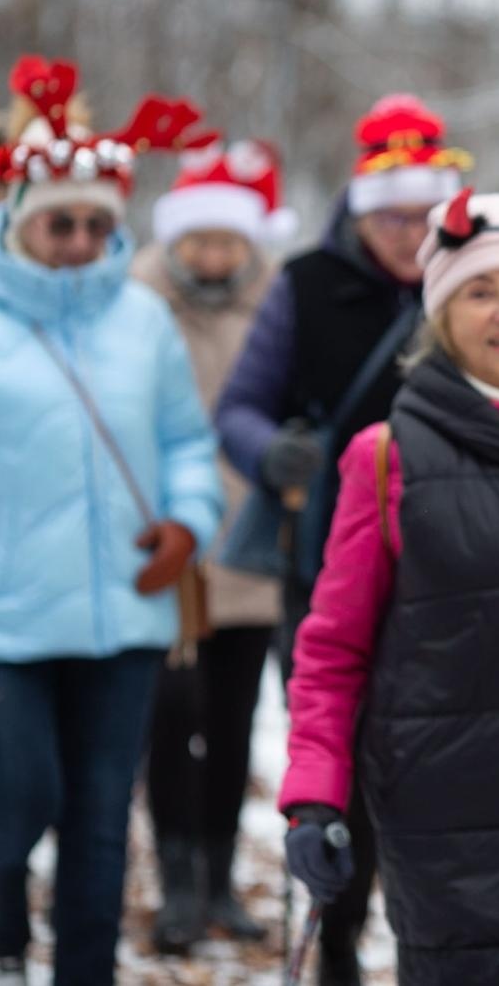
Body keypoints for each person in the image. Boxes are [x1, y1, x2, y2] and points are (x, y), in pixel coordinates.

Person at [277, 189, 499, 984]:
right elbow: (333, 650)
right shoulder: (384, 457)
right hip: (450, 838)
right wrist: (314, 799)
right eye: (480, 291)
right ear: (440, 315)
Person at [215, 93, 470, 983]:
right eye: (392, 216)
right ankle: (337, 941)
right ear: (363, 211)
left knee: (441, 756)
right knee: (340, 758)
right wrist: (271, 450)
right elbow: (238, 409)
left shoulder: (480, 280)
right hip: (322, 564)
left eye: (422, 216)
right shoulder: (305, 285)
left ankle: (434, 937)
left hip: (451, 563)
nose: (408, 234)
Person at [0, 56, 223, 985]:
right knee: (22, 797)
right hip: (11, 620)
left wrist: (186, 523)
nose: (80, 238)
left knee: (99, 815)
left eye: (98, 222)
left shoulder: (144, 320)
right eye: (61, 220)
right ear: (20, 220)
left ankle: (84, 970)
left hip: (128, 616)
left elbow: (186, 441)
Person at [131, 139, 298, 954]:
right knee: (171, 716)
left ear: (248, 242)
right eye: (198, 240)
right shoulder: (140, 300)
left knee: (234, 720)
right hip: (169, 549)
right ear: (175, 239)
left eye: (227, 240)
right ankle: (177, 882)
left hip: (250, 549)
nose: (212, 254)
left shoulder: (277, 305)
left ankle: (222, 876)